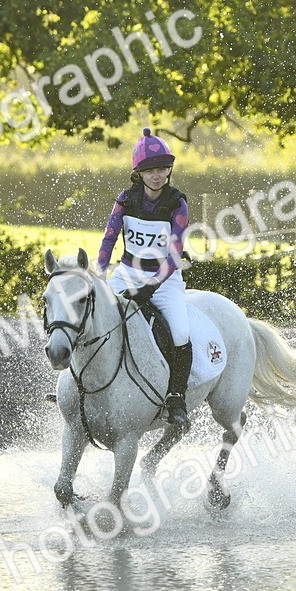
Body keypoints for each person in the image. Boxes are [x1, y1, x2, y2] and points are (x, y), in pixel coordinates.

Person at [96, 127, 192, 426]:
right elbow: (109, 238)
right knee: (92, 316)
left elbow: (174, 255)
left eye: (162, 169)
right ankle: (76, 384)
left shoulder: (177, 204)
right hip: (126, 274)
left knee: (180, 333)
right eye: (150, 170)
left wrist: (150, 287)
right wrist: (99, 274)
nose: (157, 175)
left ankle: (176, 397)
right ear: (138, 173)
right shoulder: (125, 200)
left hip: (164, 281)